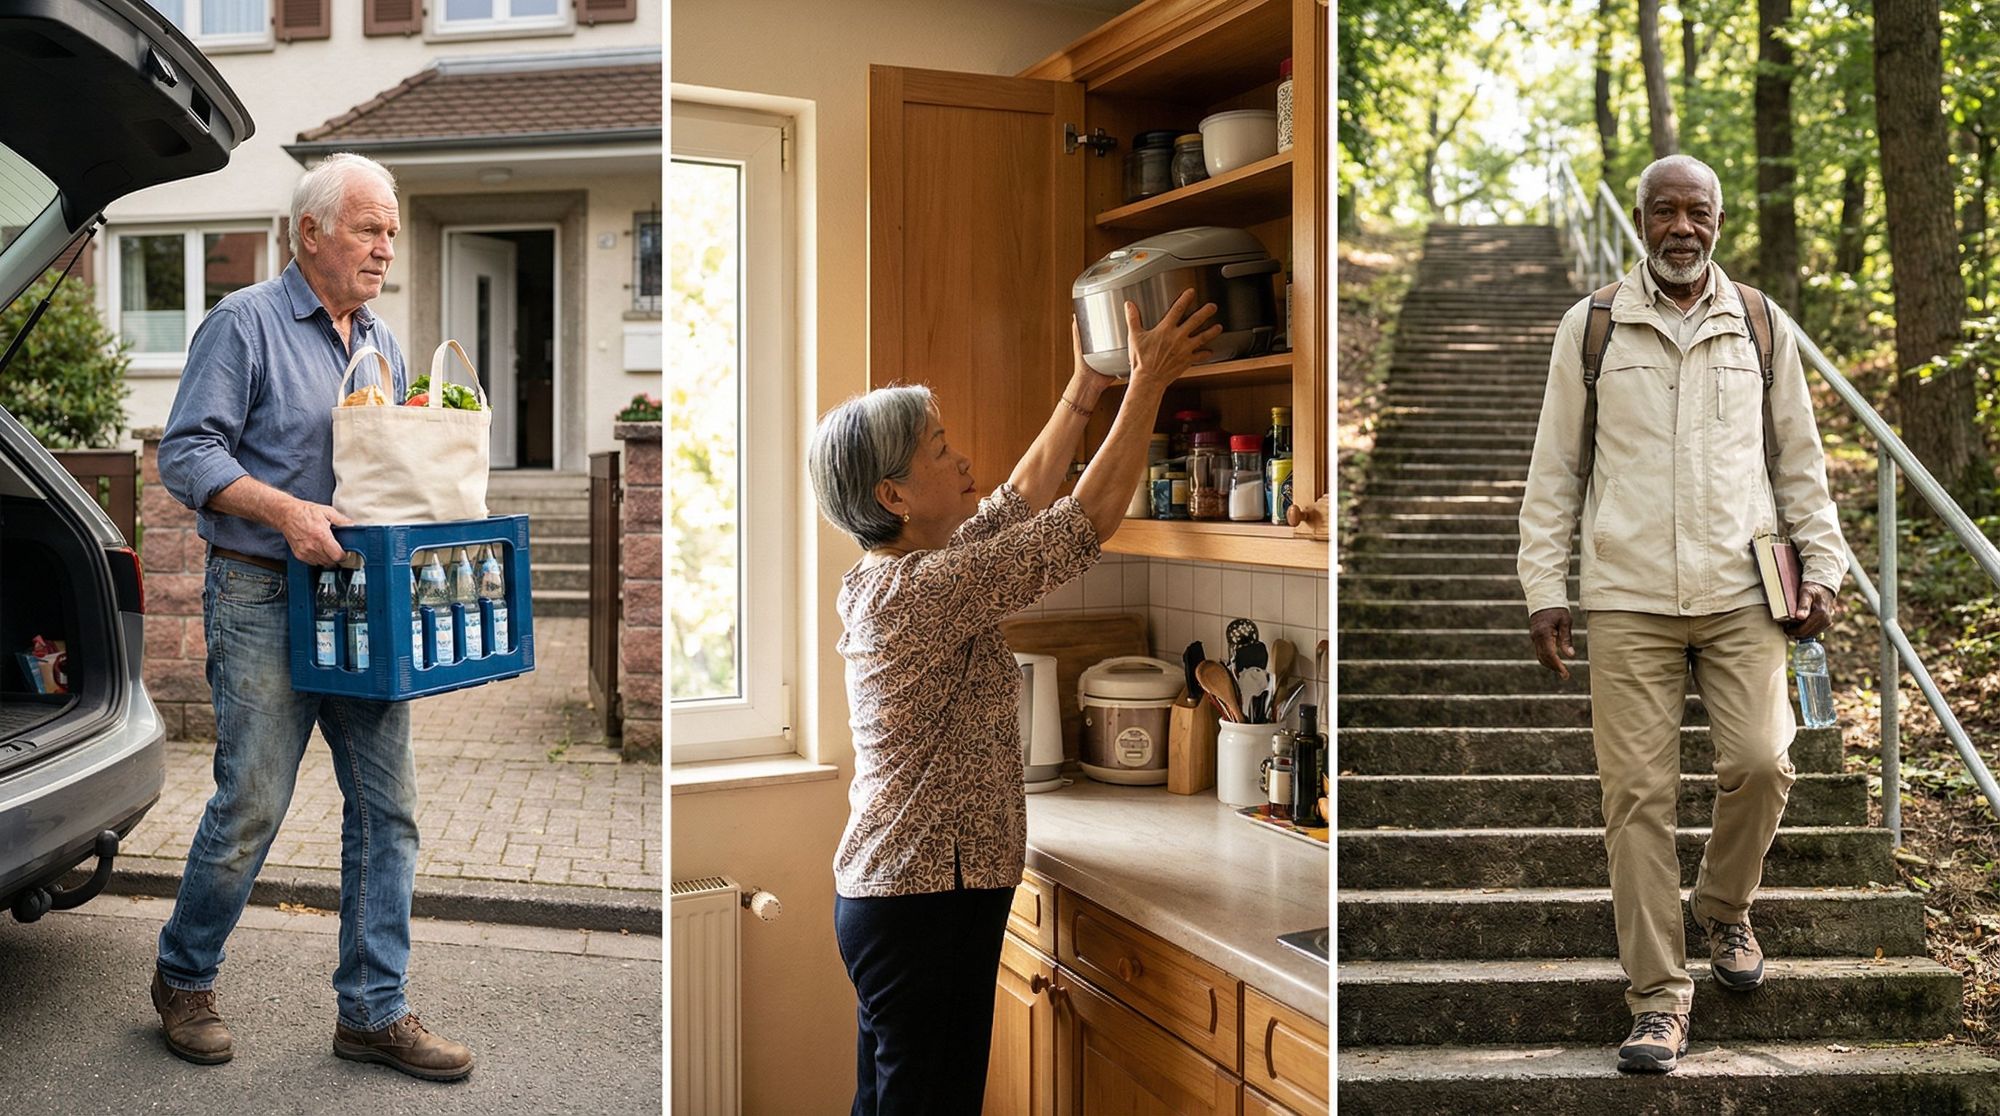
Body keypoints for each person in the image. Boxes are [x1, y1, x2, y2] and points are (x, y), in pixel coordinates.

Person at [808, 292, 1221, 1113]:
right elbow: (1084, 520)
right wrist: (1149, 385)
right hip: (924, 907)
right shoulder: (915, 593)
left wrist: (1087, 391)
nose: (964, 463)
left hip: (902, 900)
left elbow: (1020, 503)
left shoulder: (906, 575)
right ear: (894, 496)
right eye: (941, 451)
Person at [1518, 154, 1847, 1074]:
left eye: (1696, 213)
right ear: (1639, 218)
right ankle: (1658, 1001)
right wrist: (1546, 587)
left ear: (1719, 220)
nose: (1680, 229)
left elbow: (1800, 464)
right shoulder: (1590, 329)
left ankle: (1724, 907)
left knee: (1763, 760)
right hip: (1627, 597)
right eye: (1664, 211)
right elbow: (1556, 472)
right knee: (1636, 803)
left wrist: (1821, 569)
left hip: (1745, 591)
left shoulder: (1763, 324)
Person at [151, 152, 473, 1082]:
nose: (386, 246)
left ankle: (372, 1012)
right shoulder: (242, 324)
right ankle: (183, 977)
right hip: (258, 592)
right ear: (312, 232)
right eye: (370, 228)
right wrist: (285, 510)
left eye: (391, 230)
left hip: (359, 599)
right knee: (252, 801)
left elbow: (392, 472)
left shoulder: (382, 339)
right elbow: (186, 454)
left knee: (388, 808)